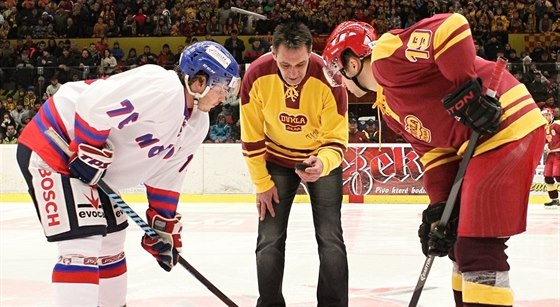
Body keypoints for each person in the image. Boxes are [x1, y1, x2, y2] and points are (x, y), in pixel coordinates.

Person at [322, 13, 546, 306]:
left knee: (477, 243)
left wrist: (467, 89)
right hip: (478, 145)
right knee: (459, 244)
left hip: (505, 127)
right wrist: (440, 208)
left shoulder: (386, 56)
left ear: (351, 63)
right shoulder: (389, 108)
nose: (341, 83)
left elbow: (452, 28)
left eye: (337, 73)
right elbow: (435, 154)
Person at [15, 41, 240, 306]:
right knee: (82, 244)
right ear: (199, 82)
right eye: (222, 88)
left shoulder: (197, 124)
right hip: (56, 146)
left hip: (95, 170)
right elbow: (92, 106)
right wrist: (88, 149)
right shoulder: (161, 86)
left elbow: (166, 178)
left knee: (112, 243)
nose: (224, 97)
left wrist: (162, 230)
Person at [240, 22, 349, 307]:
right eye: (285, 65)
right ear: (273, 54)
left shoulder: (330, 78)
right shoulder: (255, 76)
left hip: (319, 158)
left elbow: (337, 139)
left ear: (312, 53)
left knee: (330, 237)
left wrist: (323, 163)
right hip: (275, 160)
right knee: (269, 238)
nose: (292, 73)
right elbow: (251, 140)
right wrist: (262, 184)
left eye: (300, 64)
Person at [542, 107, 560, 207]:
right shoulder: (545, 128)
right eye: (543, 115)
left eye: (547, 115)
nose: (545, 117)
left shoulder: (557, 124)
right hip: (551, 154)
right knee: (548, 177)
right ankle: (554, 199)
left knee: (558, 176)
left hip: (559, 153)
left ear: (551, 115)